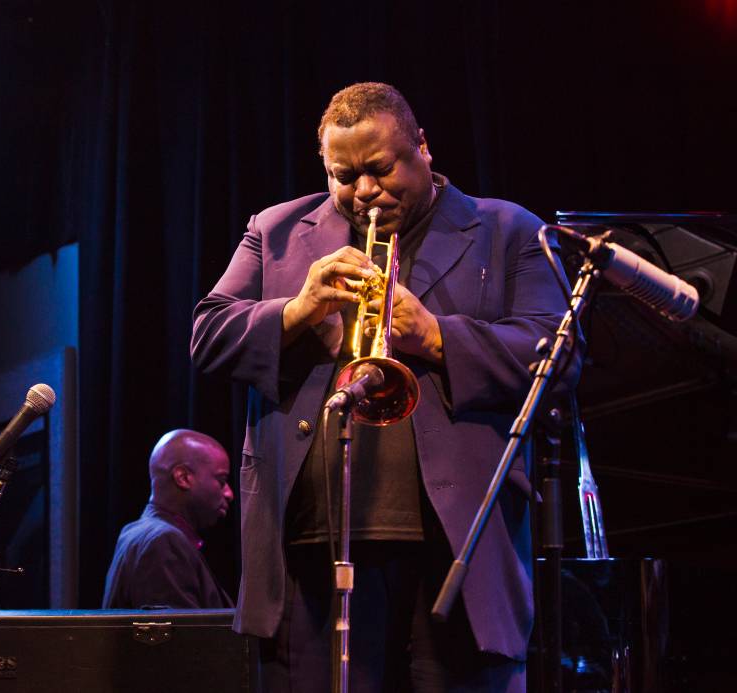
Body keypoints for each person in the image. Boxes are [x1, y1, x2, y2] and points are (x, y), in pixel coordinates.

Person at [191, 82, 578, 691]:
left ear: (422, 147)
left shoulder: (507, 229)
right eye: (343, 176)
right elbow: (207, 336)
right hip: (309, 549)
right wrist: (296, 311)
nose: (363, 192)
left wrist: (438, 337)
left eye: (380, 168)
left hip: (458, 556)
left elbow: (559, 355)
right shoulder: (277, 231)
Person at [102, 429, 235, 609]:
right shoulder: (163, 542)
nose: (229, 493)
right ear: (183, 478)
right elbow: (179, 636)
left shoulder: (136, 532)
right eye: (221, 480)